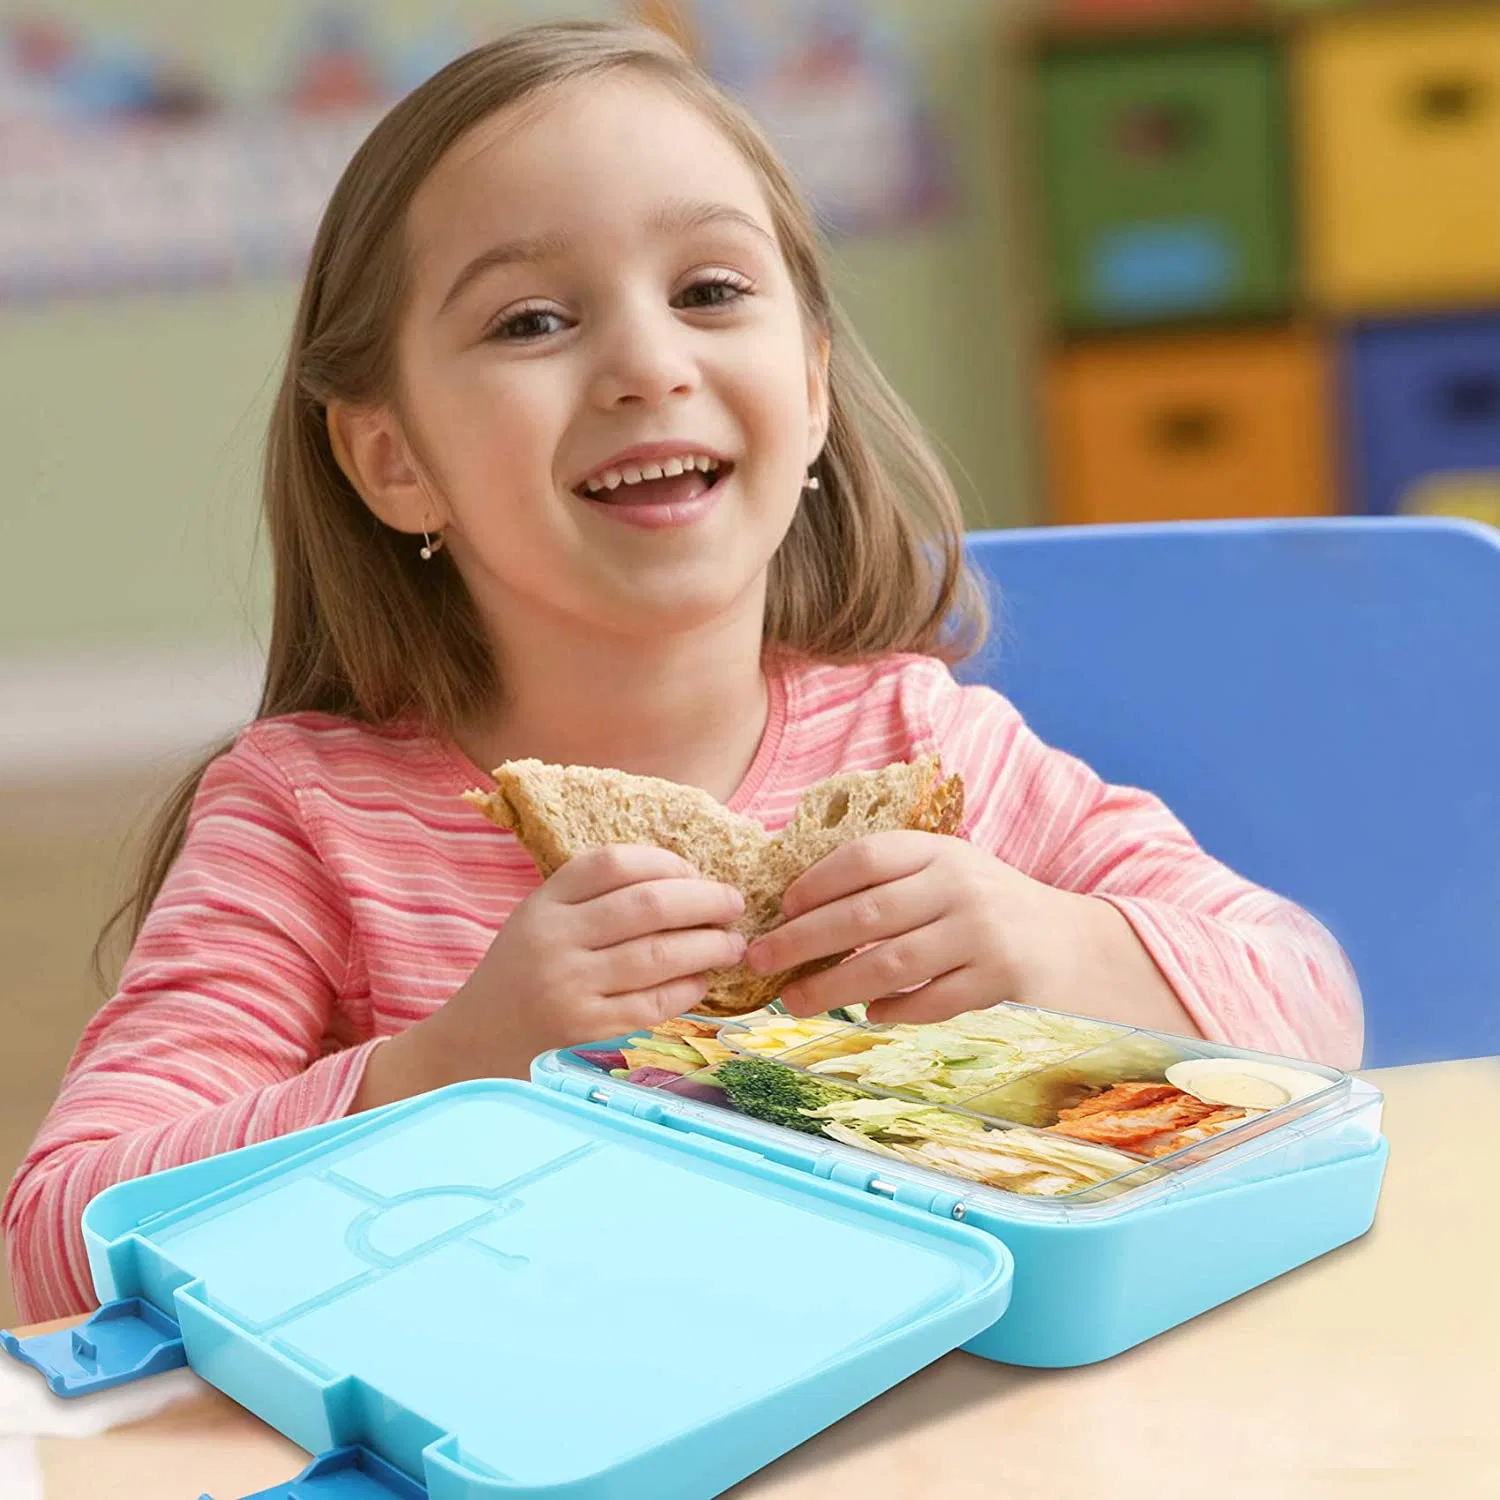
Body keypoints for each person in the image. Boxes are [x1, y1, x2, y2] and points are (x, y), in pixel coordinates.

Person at [3, 22, 1360, 1323]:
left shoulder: (928, 744)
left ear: (813, 386)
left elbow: (1316, 1010)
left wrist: (1060, 949)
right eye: (532, 321)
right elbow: (60, 1239)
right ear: (393, 460)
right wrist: (441, 1069)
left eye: (710, 292)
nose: (648, 365)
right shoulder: (308, 822)